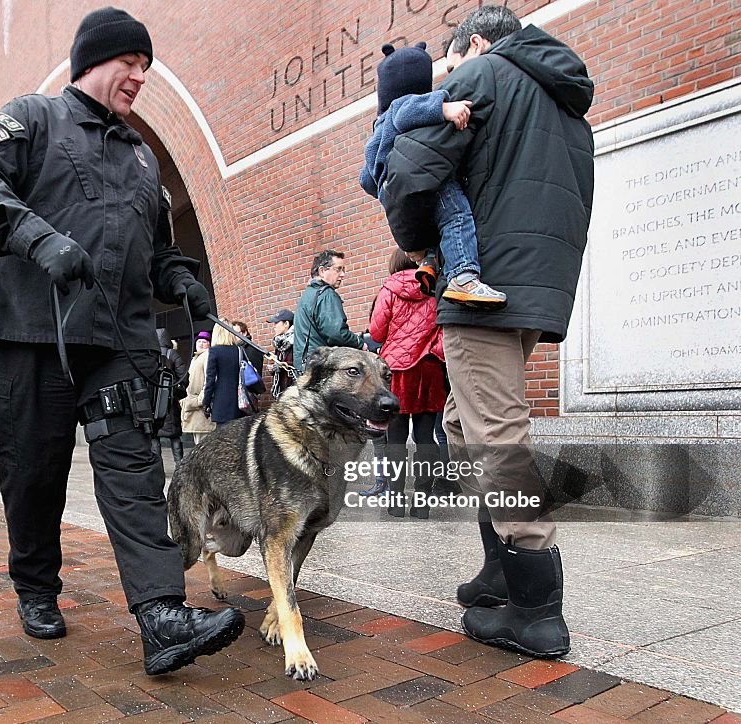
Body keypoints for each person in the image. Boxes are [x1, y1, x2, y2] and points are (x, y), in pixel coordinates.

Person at [0, 6, 244, 675]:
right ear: (92, 61)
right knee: (33, 472)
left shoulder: (143, 158)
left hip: (117, 342)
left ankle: (163, 616)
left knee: (134, 473)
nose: (140, 76)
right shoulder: (31, 118)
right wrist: (39, 239)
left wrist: (186, 282)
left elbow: (159, 252)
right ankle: (35, 584)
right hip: (34, 331)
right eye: (130, 63)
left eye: (146, 66)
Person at [381, 5, 594, 658]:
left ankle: (536, 613)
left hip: (484, 285)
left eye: (452, 58)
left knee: (496, 436)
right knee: (461, 424)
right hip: (536, 285)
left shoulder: (485, 77)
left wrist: (419, 243)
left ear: (475, 43)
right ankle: (500, 569)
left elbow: (409, 169)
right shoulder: (562, 102)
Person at [360, 42, 505, 308]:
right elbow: (409, 110)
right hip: (424, 177)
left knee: (432, 231)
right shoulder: (403, 107)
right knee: (456, 215)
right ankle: (463, 275)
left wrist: (384, 190)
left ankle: (429, 263)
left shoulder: (378, 127)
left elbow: (365, 179)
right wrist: (443, 107)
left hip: (397, 193)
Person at [368, 250, 446, 519]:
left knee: (396, 440)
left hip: (396, 369)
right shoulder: (437, 285)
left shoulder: (389, 289)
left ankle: (396, 501)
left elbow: (377, 332)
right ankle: (422, 504)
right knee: (426, 438)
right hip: (430, 366)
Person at [292, 250, 367, 373]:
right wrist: (360, 343)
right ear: (322, 271)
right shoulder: (326, 295)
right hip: (321, 368)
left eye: (343, 270)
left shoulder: (307, 295)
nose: (342, 274)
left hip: (305, 367)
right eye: (338, 269)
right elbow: (336, 334)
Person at [203, 320, 260, 425]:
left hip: (221, 404)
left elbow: (210, 380)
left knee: (223, 439)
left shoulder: (214, 351)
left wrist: (206, 402)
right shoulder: (239, 350)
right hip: (239, 403)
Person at [154, 328, 187, 465]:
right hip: (170, 400)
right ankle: (179, 465)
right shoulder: (172, 354)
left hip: (153, 400)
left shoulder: (151, 354)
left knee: (154, 436)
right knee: (175, 436)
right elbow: (183, 377)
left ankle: (158, 466)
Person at [181, 334, 215, 444]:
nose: (201, 343)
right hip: (192, 405)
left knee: (204, 443)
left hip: (200, 406)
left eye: (204, 341)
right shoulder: (194, 359)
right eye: (199, 341)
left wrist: (200, 401)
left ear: (209, 344)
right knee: (198, 441)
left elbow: (209, 380)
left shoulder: (207, 356)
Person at [266, 309, 295, 398]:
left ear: (286, 324)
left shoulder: (297, 340)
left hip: (293, 389)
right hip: (282, 389)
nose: (274, 326)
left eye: (276, 323)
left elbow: (298, 364)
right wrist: (274, 368)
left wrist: (281, 366)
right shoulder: (279, 342)